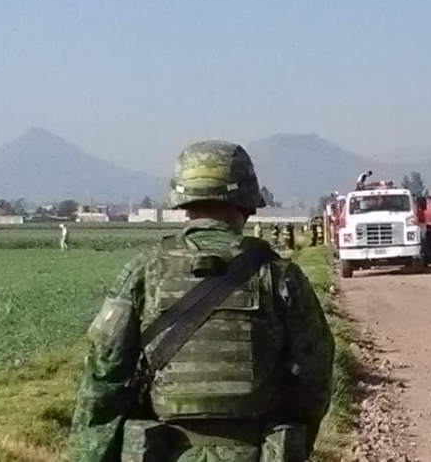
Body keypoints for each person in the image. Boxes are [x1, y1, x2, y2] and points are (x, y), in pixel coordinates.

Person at [68, 140, 335, 462]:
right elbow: (315, 376)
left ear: (182, 198)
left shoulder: (142, 271)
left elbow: (104, 380)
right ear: (248, 200)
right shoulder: (280, 275)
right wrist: (292, 442)